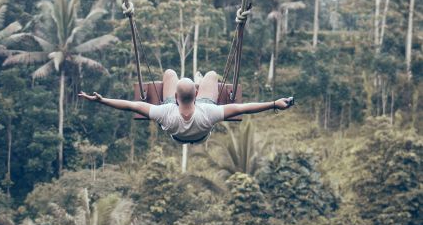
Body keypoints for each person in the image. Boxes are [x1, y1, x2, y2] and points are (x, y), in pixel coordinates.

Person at [78, 69, 294, 145]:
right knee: (212, 76)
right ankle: (198, 80)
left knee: (170, 73)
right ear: (198, 95)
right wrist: (274, 103)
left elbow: (131, 106)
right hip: (201, 131)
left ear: (174, 97)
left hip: (177, 134)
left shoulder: (165, 111)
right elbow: (243, 108)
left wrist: (102, 100)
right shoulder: (208, 111)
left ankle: (189, 80)